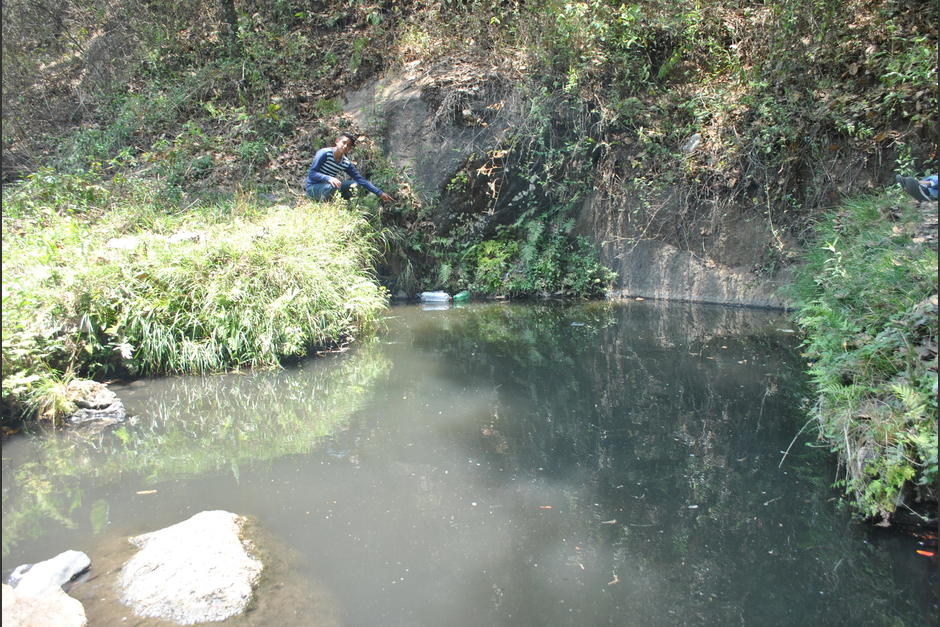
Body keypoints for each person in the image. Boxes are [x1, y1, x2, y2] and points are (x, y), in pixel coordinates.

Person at [304, 132, 394, 204]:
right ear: (337, 141)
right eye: (344, 142)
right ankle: (327, 204)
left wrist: (379, 193)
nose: (345, 146)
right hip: (313, 187)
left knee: (354, 185)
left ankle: (344, 205)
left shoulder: (345, 162)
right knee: (332, 187)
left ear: (350, 149)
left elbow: (360, 179)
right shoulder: (324, 153)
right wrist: (329, 178)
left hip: (328, 187)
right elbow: (312, 174)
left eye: (348, 145)